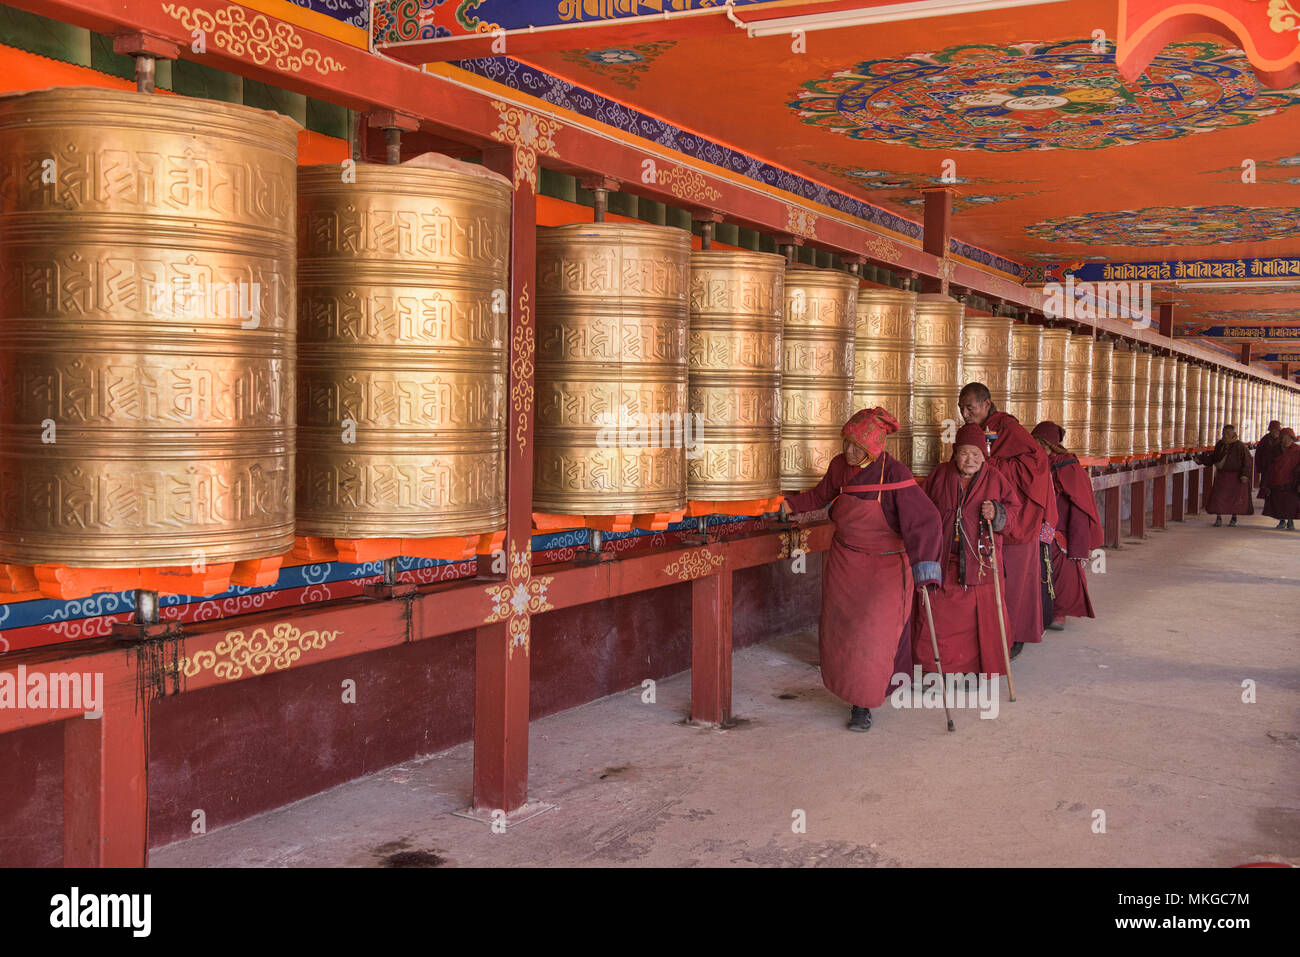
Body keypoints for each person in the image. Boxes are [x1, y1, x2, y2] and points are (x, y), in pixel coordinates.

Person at [781, 407, 944, 732]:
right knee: (843, 633)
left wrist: (926, 567)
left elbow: (926, 522)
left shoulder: (894, 474)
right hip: (845, 562)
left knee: (871, 635)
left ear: (874, 448)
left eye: (858, 447)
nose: (850, 452)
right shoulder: (840, 467)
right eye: (847, 443)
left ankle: (863, 705)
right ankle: (850, 690)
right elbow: (821, 495)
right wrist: (789, 507)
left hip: (885, 566)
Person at [957, 382, 1055, 659]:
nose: (965, 413)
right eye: (961, 408)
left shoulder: (1007, 427)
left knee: (1016, 581)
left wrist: (992, 464)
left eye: (970, 407)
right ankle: (993, 634)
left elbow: (1037, 463)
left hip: (1017, 515)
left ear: (987, 404)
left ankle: (1016, 635)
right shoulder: (976, 431)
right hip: (988, 513)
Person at [912, 423, 1017, 679]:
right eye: (964, 453)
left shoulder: (995, 478)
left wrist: (998, 513)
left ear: (984, 455)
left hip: (980, 563)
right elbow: (921, 507)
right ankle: (932, 669)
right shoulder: (940, 475)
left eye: (976, 454)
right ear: (955, 453)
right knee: (937, 615)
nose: (970, 459)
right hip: (943, 559)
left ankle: (972, 671)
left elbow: (1015, 512)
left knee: (975, 621)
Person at [1032, 421, 1103, 629]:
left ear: (1050, 445)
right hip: (1038, 525)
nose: (1038, 449)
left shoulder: (1069, 468)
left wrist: (1078, 546)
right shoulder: (1037, 464)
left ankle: (1059, 613)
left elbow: (1081, 508)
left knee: (1060, 571)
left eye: (1041, 444)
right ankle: (1041, 611)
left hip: (1060, 530)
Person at [1195, 425, 1254, 526]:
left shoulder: (1240, 446)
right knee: (1219, 497)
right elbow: (1214, 457)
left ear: (1233, 433)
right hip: (1222, 476)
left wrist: (1245, 475)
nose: (1226, 435)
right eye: (1225, 432)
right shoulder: (1220, 444)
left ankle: (1234, 518)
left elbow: (1247, 461)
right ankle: (1219, 518)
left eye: (1229, 433)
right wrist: (1201, 459)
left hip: (1235, 476)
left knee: (1234, 498)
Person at [1261, 428, 1300, 531]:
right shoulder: (1275, 450)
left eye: (1289, 438)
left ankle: (1290, 521)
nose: (1286, 441)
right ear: (1281, 439)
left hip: (1292, 481)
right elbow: (1269, 466)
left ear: (1292, 439)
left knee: (1291, 503)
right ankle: (1282, 521)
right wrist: (1266, 482)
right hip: (1276, 480)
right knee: (1279, 502)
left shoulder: (1297, 450)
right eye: (1284, 438)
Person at [1255, 420, 1284, 496]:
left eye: (1276, 430)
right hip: (1267, 467)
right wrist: (1259, 466)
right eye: (1273, 430)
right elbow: (1258, 453)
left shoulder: (1282, 439)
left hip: (1279, 467)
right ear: (1270, 430)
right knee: (1266, 485)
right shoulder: (1265, 439)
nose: (1274, 432)